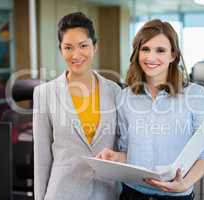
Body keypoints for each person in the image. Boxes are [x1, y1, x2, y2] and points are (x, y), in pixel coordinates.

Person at [97, 19, 204, 200]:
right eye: (145, 49)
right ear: (137, 53)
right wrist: (115, 157)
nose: (151, 57)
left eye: (160, 50)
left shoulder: (195, 95)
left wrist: (184, 183)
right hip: (132, 194)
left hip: (176, 196)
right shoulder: (125, 97)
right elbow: (129, 152)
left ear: (173, 55)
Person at [33, 12, 120, 200]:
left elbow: (121, 146)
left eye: (83, 46)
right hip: (62, 193)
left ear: (94, 47)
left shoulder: (114, 91)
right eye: (68, 47)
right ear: (61, 49)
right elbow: (41, 157)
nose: (76, 54)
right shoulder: (45, 93)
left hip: (105, 193)